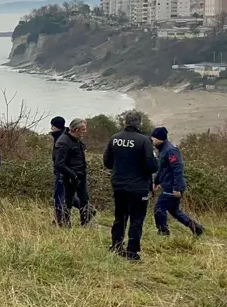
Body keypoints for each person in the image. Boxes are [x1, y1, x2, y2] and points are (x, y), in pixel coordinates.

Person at [102, 110, 159, 261]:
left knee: (120, 216)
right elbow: (152, 166)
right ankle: (132, 252)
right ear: (139, 123)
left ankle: (116, 245)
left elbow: (107, 162)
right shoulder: (144, 141)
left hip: (119, 184)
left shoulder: (114, 138)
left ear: (124, 122)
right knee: (136, 219)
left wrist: (121, 167)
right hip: (139, 186)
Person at [152, 127, 205, 237]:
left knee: (159, 208)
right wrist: (156, 182)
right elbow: (162, 169)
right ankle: (197, 228)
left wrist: (177, 188)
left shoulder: (170, 150)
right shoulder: (162, 150)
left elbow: (178, 169)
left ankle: (163, 232)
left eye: (153, 137)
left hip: (172, 187)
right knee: (174, 211)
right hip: (168, 185)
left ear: (159, 138)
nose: (152, 139)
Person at [52, 118, 94, 227]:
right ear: (76, 130)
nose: (85, 131)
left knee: (84, 199)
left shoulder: (78, 140)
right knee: (68, 202)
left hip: (81, 175)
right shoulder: (63, 142)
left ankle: (85, 223)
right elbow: (59, 164)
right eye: (83, 129)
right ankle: (65, 225)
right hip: (70, 177)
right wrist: (72, 175)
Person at [49, 116, 67, 222]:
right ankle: (87, 209)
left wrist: (59, 169)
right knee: (66, 195)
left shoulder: (61, 139)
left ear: (56, 126)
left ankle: (59, 220)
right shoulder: (62, 136)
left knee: (58, 196)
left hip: (62, 171)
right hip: (62, 170)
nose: (51, 128)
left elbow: (60, 157)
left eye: (52, 126)